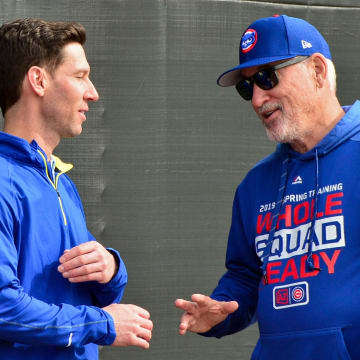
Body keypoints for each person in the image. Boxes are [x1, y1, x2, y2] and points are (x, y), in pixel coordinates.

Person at [175, 14, 360, 359]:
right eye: (248, 87)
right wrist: (221, 310)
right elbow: (245, 275)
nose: (258, 100)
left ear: (318, 71)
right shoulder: (255, 185)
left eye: (266, 77)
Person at [0, 18, 152, 359]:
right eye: (80, 76)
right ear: (38, 80)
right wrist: (103, 325)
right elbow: (2, 307)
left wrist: (111, 270)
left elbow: (89, 295)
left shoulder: (61, 183)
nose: (92, 93)